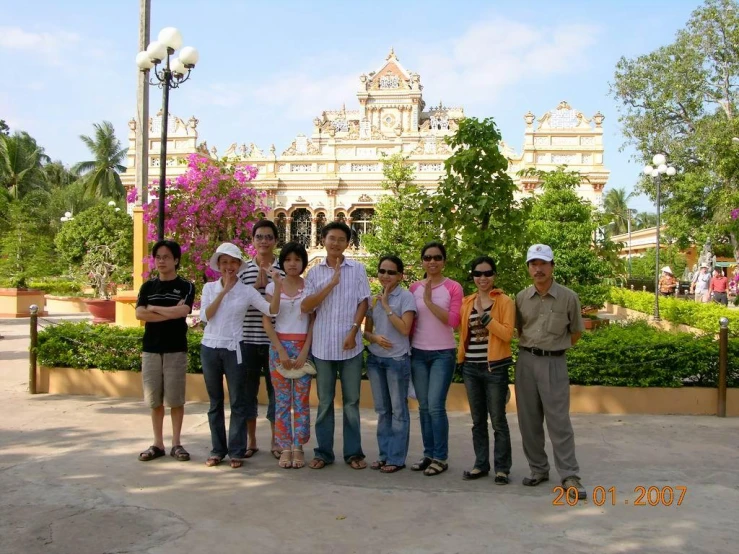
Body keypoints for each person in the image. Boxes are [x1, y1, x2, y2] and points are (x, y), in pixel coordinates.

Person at [515, 244, 586, 501]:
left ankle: (569, 474)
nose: (538, 269)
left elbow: (576, 332)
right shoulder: (521, 298)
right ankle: (538, 469)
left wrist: (554, 349)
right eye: (533, 264)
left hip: (554, 363)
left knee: (559, 421)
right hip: (525, 362)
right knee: (528, 420)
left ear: (552, 266)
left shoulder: (568, 297)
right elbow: (518, 330)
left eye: (543, 263)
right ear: (528, 268)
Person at [200, 242, 281, 468]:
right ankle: (217, 450)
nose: (228, 266)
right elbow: (205, 317)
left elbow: (271, 310)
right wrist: (224, 291)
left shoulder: (247, 291)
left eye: (232, 262)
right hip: (210, 348)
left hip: (235, 350)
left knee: (238, 402)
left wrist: (278, 285)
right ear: (218, 265)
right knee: (215, 403)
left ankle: (236, 451)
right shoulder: (209, 288)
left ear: (238, 265)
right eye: (224, 262)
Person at [301, 221, 371, 470]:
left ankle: (353, 453)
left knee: (351, 402)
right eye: (332, 238)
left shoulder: (358, 269)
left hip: (350, 345)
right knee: (325, 401)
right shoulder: (315, 272)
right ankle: (323, 453)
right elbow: (307, 306)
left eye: (341, 239)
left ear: (347, 243)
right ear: (324, 240)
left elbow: (364, 302)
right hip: (323, 346)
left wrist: (354, 330)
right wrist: (331, 283)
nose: (336, 243)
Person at [135, 240, 195, 463]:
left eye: (166, 257)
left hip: (175, 349)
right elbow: (140, 314)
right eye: (158, 257)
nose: (161, 261)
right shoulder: (147, 287)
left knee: (175, 400)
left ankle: (176, 443)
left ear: (176, 260)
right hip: (151, 349)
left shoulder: (186, 286)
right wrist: (170, 312)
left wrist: (155, 309)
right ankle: (157, 443)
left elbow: (183, 312)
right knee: (155, 401)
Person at [457, 256, 514, 484]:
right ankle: (481, 464)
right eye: (478, 274)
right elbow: (463, 334)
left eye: (488, 273)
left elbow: (508, 334)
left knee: (498, 420)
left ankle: (502, 468)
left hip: (495, 368)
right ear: (473, 276)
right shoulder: (467, 302)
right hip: (471, 367)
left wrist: (485, 318)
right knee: (477, 420)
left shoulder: (504, 302)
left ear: (494, 276)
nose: (483, 278)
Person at [409, 241, 464, 477]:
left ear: (444, 261)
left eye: (437, 257)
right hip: (418, 353)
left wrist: (430, 301)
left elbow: (453, 321)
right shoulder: (413, 288)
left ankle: (441, 458)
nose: (432, 261)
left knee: (435, 406)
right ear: (422, 261)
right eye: (428, 257)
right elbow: (410, 321)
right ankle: (429, 454)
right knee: (423, 408)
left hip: (443, 353)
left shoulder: (453, 288)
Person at [263, 242, 315, 469]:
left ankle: (299, 447)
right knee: (282, 401)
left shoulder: (310, 287)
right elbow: (269, 317)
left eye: (297, 259)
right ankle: (285, 446)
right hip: (279, 347)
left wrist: (305, 350)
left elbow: (314, 321)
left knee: (301, 401)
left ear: (303, 262)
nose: (292, 264)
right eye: (288, 260)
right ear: (282, 263)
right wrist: (280, 349)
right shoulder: (273, 287)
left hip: (303, 347)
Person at [363, 255, 417, 474]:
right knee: (383, 410)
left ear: (400, 276)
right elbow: (367, 331)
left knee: (398, 410)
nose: (385, 276)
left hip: (397, 360)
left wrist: (386, 306)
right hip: (376, 360)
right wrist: (374, 338)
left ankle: (396, 458)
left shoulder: (406, 298)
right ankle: (384, 455)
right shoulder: (372, 300)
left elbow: (405, 329)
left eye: (391, 272)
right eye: (382, 271)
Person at [238, 220, 283, 459]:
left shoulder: (283, 270)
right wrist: (258, 287)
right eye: (259, 236)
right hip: (247, 339)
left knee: (276, 392)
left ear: (275, 240)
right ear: (253, 240)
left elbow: (282, 306)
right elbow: (240, 303)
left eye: (268, 236)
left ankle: (276, 441)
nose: (263, 241)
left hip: (274, 342)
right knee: (248, 393)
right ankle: (251, 441)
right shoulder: (243, 269)